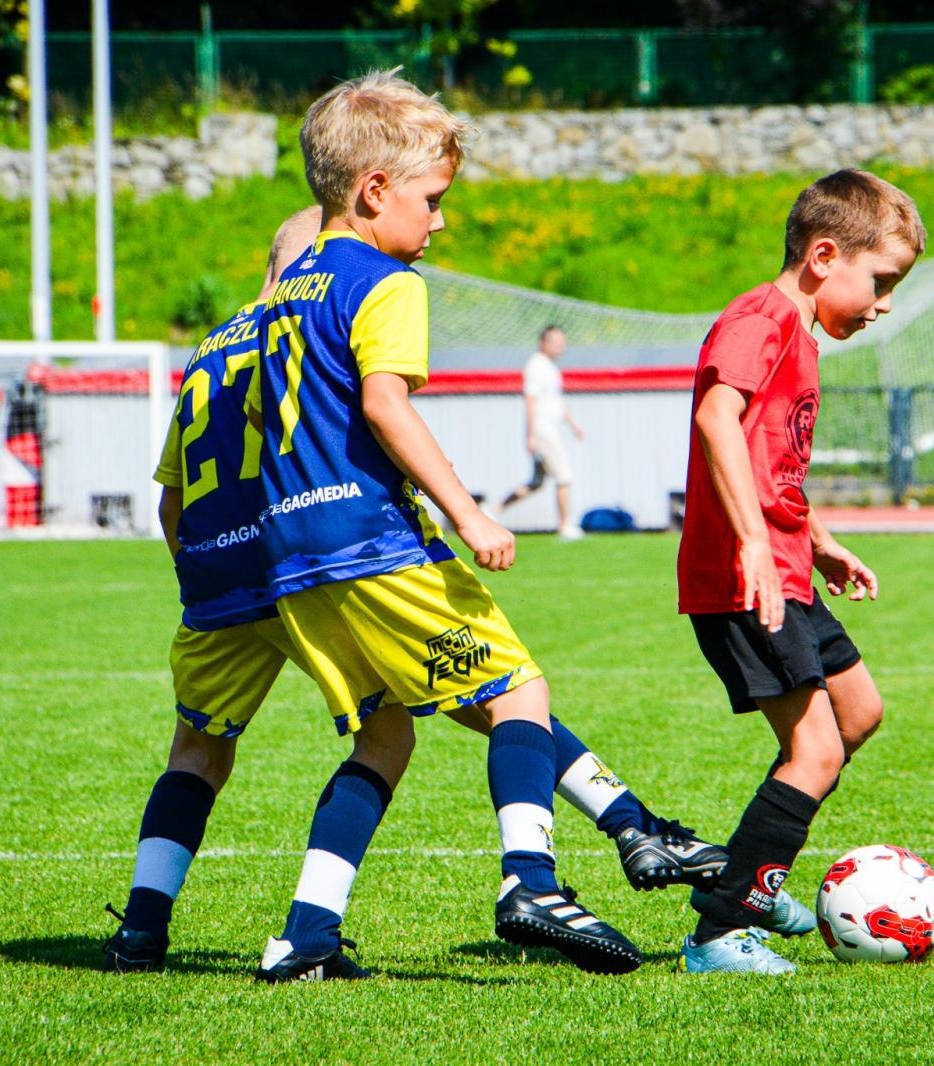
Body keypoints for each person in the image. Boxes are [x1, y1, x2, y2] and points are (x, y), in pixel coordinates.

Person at [105, 198, 728, 980]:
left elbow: (171, 494)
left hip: (215, 569)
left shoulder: (211, 347)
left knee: (221, 747)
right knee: (498, 689)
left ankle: (152, 931)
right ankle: (596, 842)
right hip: (311, 553)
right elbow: (346, 427)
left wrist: (198, 569)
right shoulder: (307, 317)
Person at [676, 169, 926, 975]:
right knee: (814, 752)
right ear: (825, 255)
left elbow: (769, 462)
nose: (883, 303)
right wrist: (752, 540)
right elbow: (718, 416)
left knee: (858, 712)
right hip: (744, 576)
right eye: (880, 281)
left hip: (786, 567)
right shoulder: (760, 319)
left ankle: (750, 877)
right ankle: (721, 930)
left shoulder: (800, 334)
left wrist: (817, 538)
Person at [496, 325, 585, 539]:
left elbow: (558, 401)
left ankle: (493, 511)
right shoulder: (536, 366)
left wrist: (573, 425)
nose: (560, 346)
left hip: (550, 429)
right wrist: (532, 434)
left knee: (536, 483)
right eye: (555, 341)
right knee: (565, 476)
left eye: (562, 342)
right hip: (544, 431)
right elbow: (531, 400)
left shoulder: (551, 368)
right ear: (543, 343)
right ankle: (565, 526)